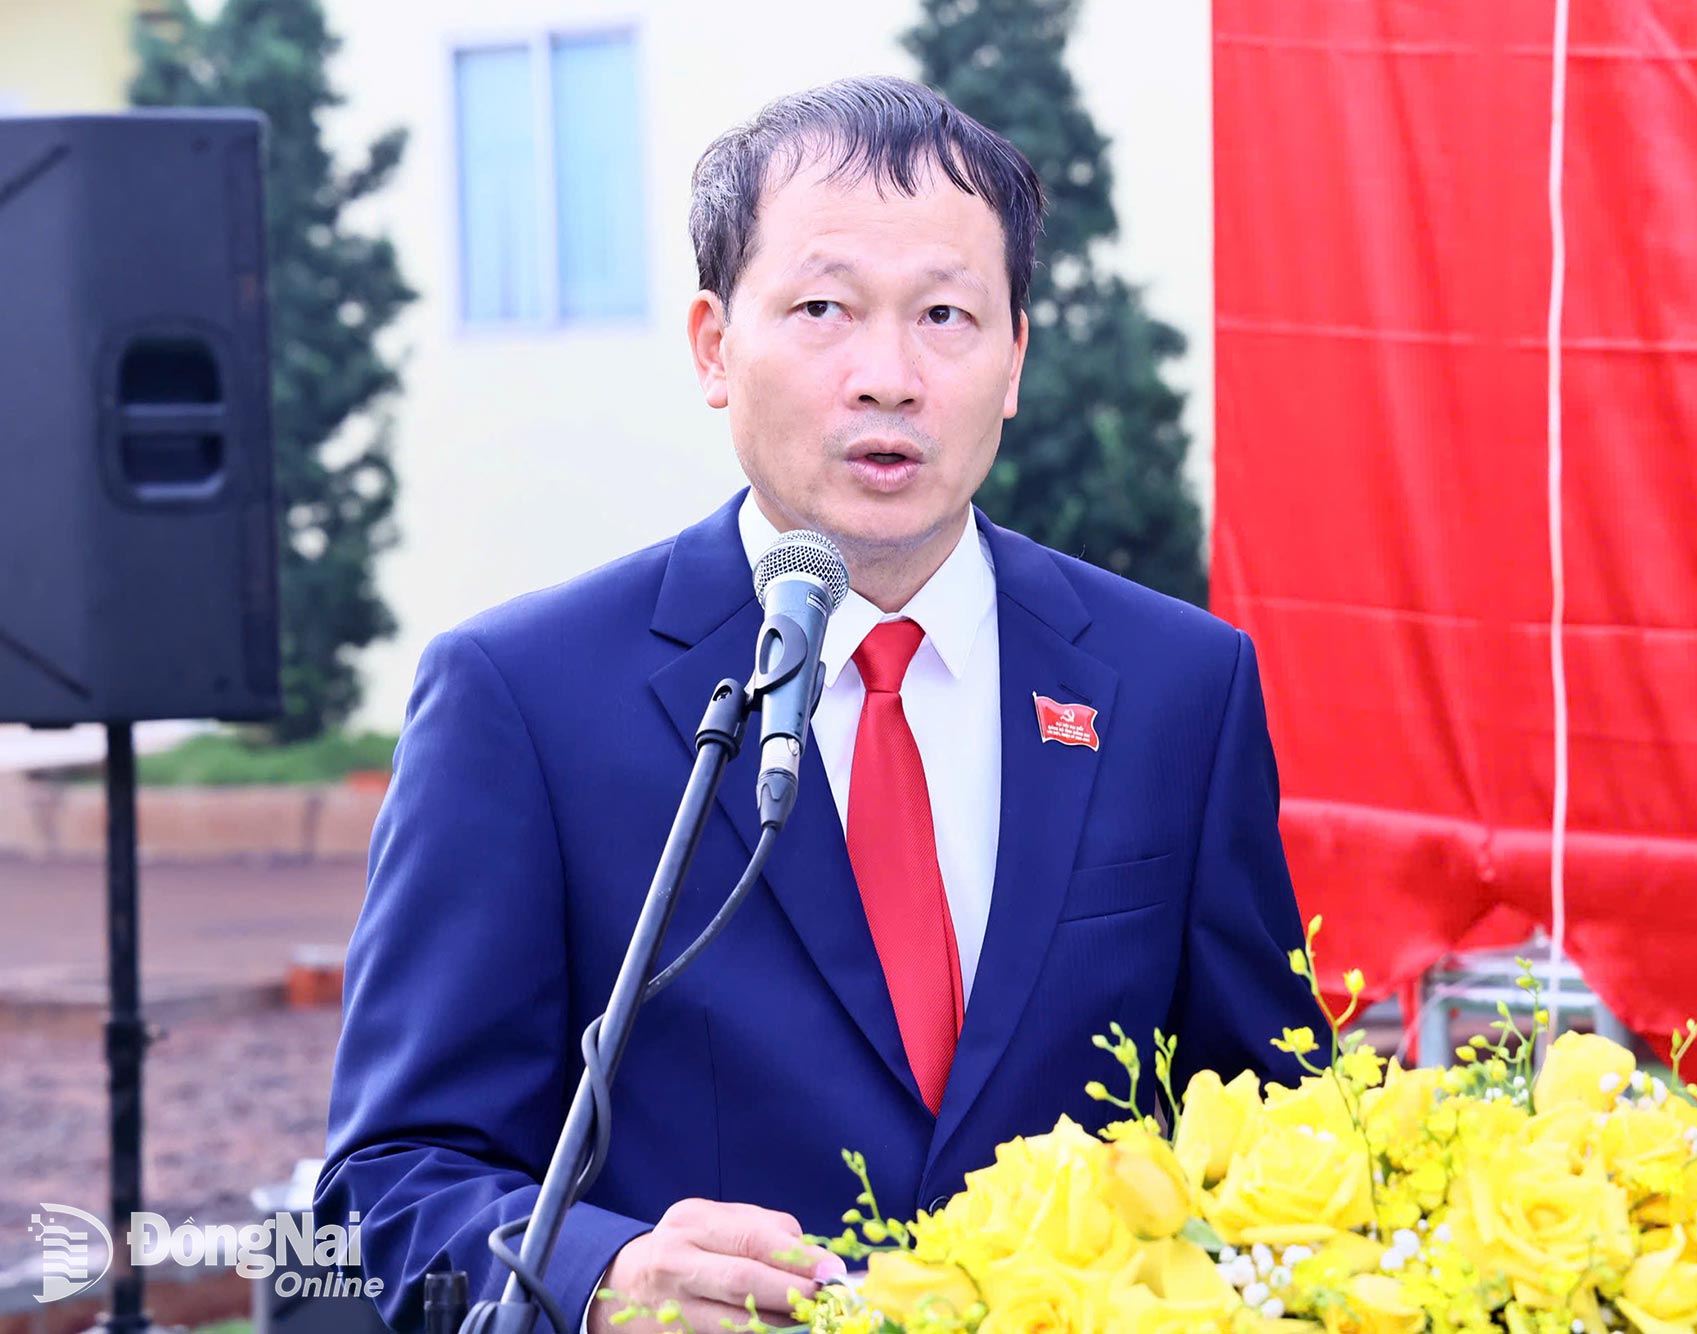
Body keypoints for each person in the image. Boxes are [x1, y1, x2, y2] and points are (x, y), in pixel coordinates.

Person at [317, 76, 1325, 1334]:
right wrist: (597, 1272)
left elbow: (1284, 1128)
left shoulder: (1177, 685)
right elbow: (384, 1189)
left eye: (947, 314)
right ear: (712, 347)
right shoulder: (523, 699)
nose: (887, 376)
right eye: (821, 309)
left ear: (1015, 355)